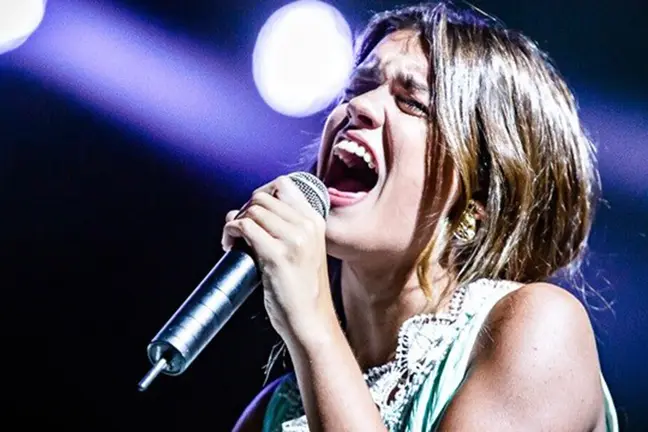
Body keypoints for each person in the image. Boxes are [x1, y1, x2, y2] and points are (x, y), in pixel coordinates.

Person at [228, 2, 618, 431]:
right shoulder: (275, 414)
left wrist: (314, 325)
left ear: (480, 195)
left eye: (412, 102)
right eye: (357, 88)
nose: (359, 107)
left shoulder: (541, 331)